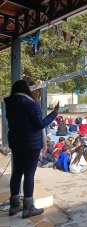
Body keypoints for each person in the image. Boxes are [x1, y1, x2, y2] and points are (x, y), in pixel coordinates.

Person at [5, 80, 59, 218]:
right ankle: (28, 207)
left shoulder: (10, 103)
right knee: (29, 174)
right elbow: (39, 124)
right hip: (31, 145)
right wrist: (54, 113)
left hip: (16, 143)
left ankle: (14, 205)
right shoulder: (31, 104)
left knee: (16, 173)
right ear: (27, 89)